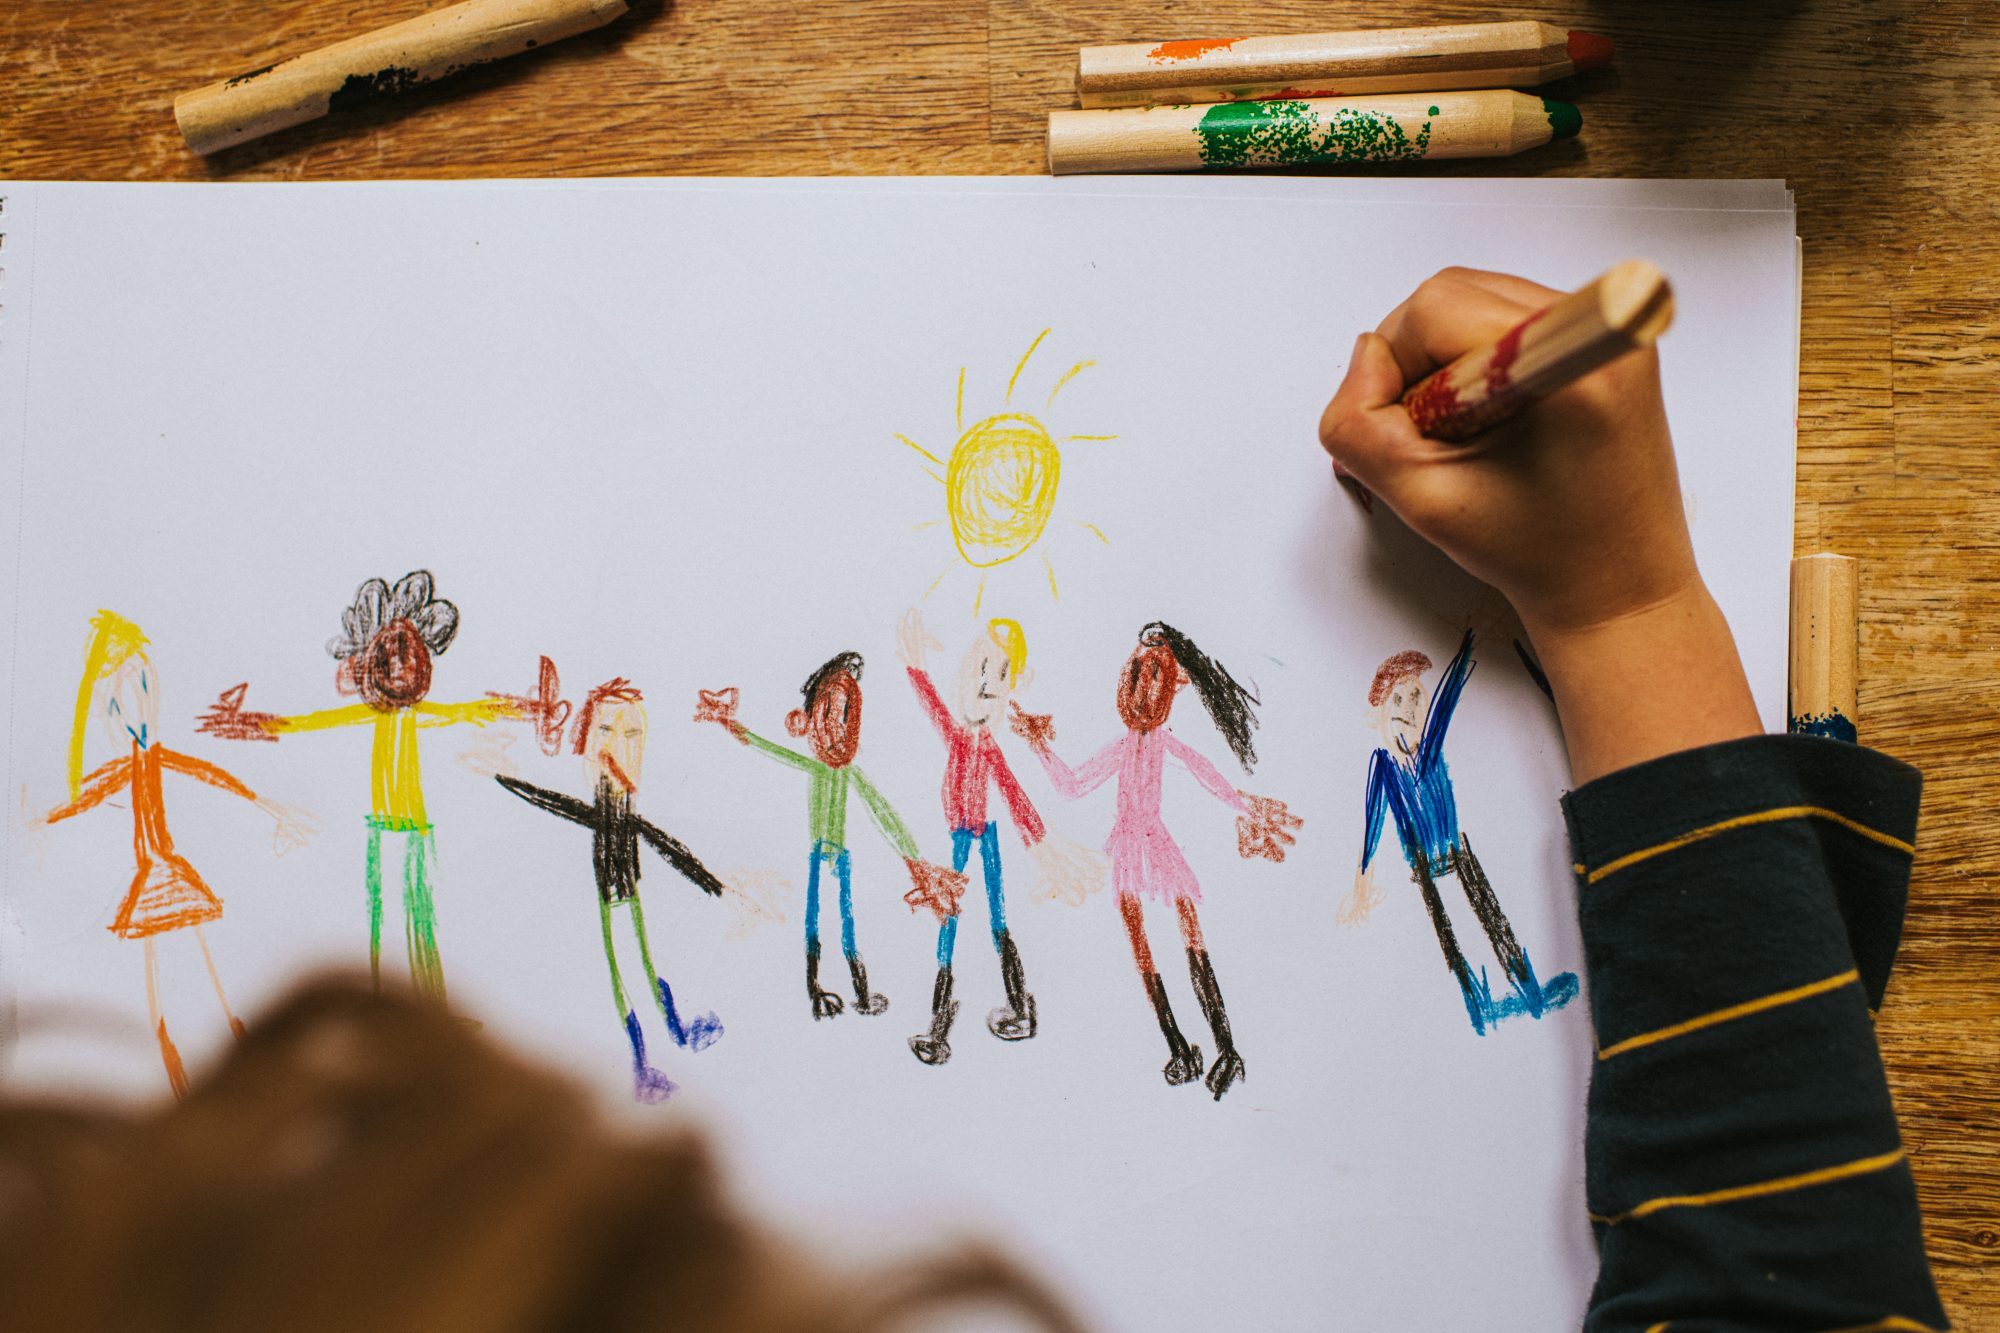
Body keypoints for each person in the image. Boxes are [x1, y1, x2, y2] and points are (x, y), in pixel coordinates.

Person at [1319, 267, 1945, 1328]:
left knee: (1470, 906)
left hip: (1467, 845)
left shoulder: (1417, 730)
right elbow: (1780, 1282)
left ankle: (1508, 982)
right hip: (1450, 850)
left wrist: (1618, 615)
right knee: (1452, 910)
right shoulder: (1393, 760)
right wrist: (1626, 611)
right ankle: (1494, 987)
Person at [198, 570, 527, 1003]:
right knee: (384, 917)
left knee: (419, 915)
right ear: (370, 666)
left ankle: (430, 1003)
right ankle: (386, 1002)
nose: (398, 668)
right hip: (382, 832)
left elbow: (471, 711)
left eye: (407, 658)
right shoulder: (373, 716)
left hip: (415, 833)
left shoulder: (418, 714)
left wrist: (522, 709)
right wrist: (246, 724)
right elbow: (306, 722)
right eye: (387, 660)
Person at [1010, 623, 1301, 1101]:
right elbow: (1072, 785)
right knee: (1143, 945)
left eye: (1156, 677)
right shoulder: (1125, 746)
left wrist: (1246, 807)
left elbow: (1208, 776)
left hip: (1155, 845)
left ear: (1173, 686)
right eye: (1138, 674)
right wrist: (1038, 745)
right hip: (1127, 846)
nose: (1144, 688)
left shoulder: (1164, 745)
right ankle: (1178, 1046)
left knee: (1189, 937)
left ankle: (1225, 1047)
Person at [43, 611, 315, 1097]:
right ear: (110, 713)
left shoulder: (157, 757)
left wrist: (269, 806)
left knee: (209, 988)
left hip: (170, 878)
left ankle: (248, 1089)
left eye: (144, 694)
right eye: (123, 703)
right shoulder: (122, 767)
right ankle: (185, 1093)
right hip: (152, 884)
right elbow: (78, 794)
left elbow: (210, 774)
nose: (137, 709)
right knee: (163, 1006)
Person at [495, 678, 728, 1103]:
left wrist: (711, 882)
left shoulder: (624, 802)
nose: (620, 744)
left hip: (629, 891)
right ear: (585, 739)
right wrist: (508, 777)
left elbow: (649, 835)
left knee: (641, 958)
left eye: (633, 735)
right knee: (623, 970)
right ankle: (642, 1062)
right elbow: (578, 811)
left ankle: (675, 1033)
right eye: (605, 731)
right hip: (609, 894)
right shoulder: (604, 802)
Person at [695, 654, 965, 1021]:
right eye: (828, 714)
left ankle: (860, 991)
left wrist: (916, 861)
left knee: (844, 920)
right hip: (819, 854)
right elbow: (769, 748)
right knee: (818, 919)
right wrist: (730, 725)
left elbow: (884, 814)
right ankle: (817, 988)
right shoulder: (818, 766)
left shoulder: (847, 771)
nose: (836, 728)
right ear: (809, 719)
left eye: (844, 716)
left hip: (840, 857)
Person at [1346, 629, 1580, 1034]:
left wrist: (1471, 638)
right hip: (1425, 870)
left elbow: (1449, 695)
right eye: (1398, 700)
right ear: (1380, 712)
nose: (1410, 708)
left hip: (1461, 855)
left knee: (1494, 921)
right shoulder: (1383, 765)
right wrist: (1362, 885)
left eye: (1416, 696)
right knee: (1454, 942)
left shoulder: (1430, 747)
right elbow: (1373, 823)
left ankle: (1530, 992)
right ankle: (1479, 1005)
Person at [895, 609, 1101, 1066]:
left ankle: (1017, 1006)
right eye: (982, 667)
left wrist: (1041, 843)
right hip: (962, 841)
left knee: (994, 921)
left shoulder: (986, 745)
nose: (987, 682)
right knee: (952, 921)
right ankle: (940, 1024)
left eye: (1000, 674)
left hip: (981, 838)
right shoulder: (960, 735)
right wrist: (913, 666)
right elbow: (932, 705)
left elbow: (1013, 793)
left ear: (1014, 686)